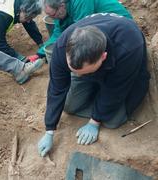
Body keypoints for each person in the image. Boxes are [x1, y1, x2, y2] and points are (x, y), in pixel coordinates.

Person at [37, 13, 150, 157]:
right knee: (69, 106)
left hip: (121, 68)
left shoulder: (129, 47)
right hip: (92, 66)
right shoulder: (63, 46)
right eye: (74, 71)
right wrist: (50, 130)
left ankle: (100, 107)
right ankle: (96, 96)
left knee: (113, 121)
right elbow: (56, 87)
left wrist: (94, 122)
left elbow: (115, 90)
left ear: (103, 57)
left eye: (82, 71)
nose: (77, 75)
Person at [29, 0, 133, 61]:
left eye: (53, 15)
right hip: (100, 26)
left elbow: (80, 30)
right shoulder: (60, 11)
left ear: (61, 5)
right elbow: (58, 33)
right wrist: (40, 54)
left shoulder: (81, 2)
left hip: (121, 29)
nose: (53, 18)